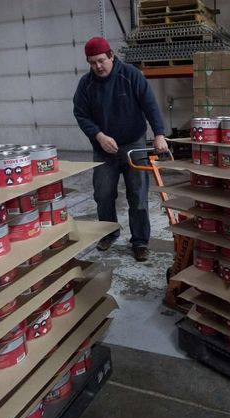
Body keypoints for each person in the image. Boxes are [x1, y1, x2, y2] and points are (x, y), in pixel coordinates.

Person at [73, 36, 168, 262]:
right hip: (104, 149)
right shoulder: (86, 85)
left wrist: (159, 134)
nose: (98, 66)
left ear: (111, 56)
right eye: (92, 62)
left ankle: (140, 241)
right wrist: (98, 135)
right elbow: (81, 114)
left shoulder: (130, 75)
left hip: (134, 144)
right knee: (103, 194)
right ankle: (109, 233)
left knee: (138, 195)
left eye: (101, 60)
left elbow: (150, 105)